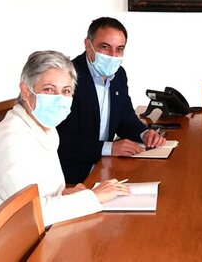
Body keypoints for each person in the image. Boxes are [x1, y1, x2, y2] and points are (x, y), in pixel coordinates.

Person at [0, 50, 129, 246]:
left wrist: (66, 194)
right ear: (26, 91)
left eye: (66, 91)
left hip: (36, 238)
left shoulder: (44, 128)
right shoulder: (12, 141)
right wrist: (93, 197)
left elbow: (40, 194)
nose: (59, 98)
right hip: (7, 250)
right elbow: (33, 214)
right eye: (49, 89)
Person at [57, 17, 166, 184]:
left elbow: (125, 118)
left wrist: (144, 134)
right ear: (88, 44)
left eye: (119, 49)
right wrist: (109, 148)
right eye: (105, 47)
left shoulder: (119, 75)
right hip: (72, 176)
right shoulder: (66, 78)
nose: (113, 55)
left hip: (105, 165)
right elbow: (58, 141)